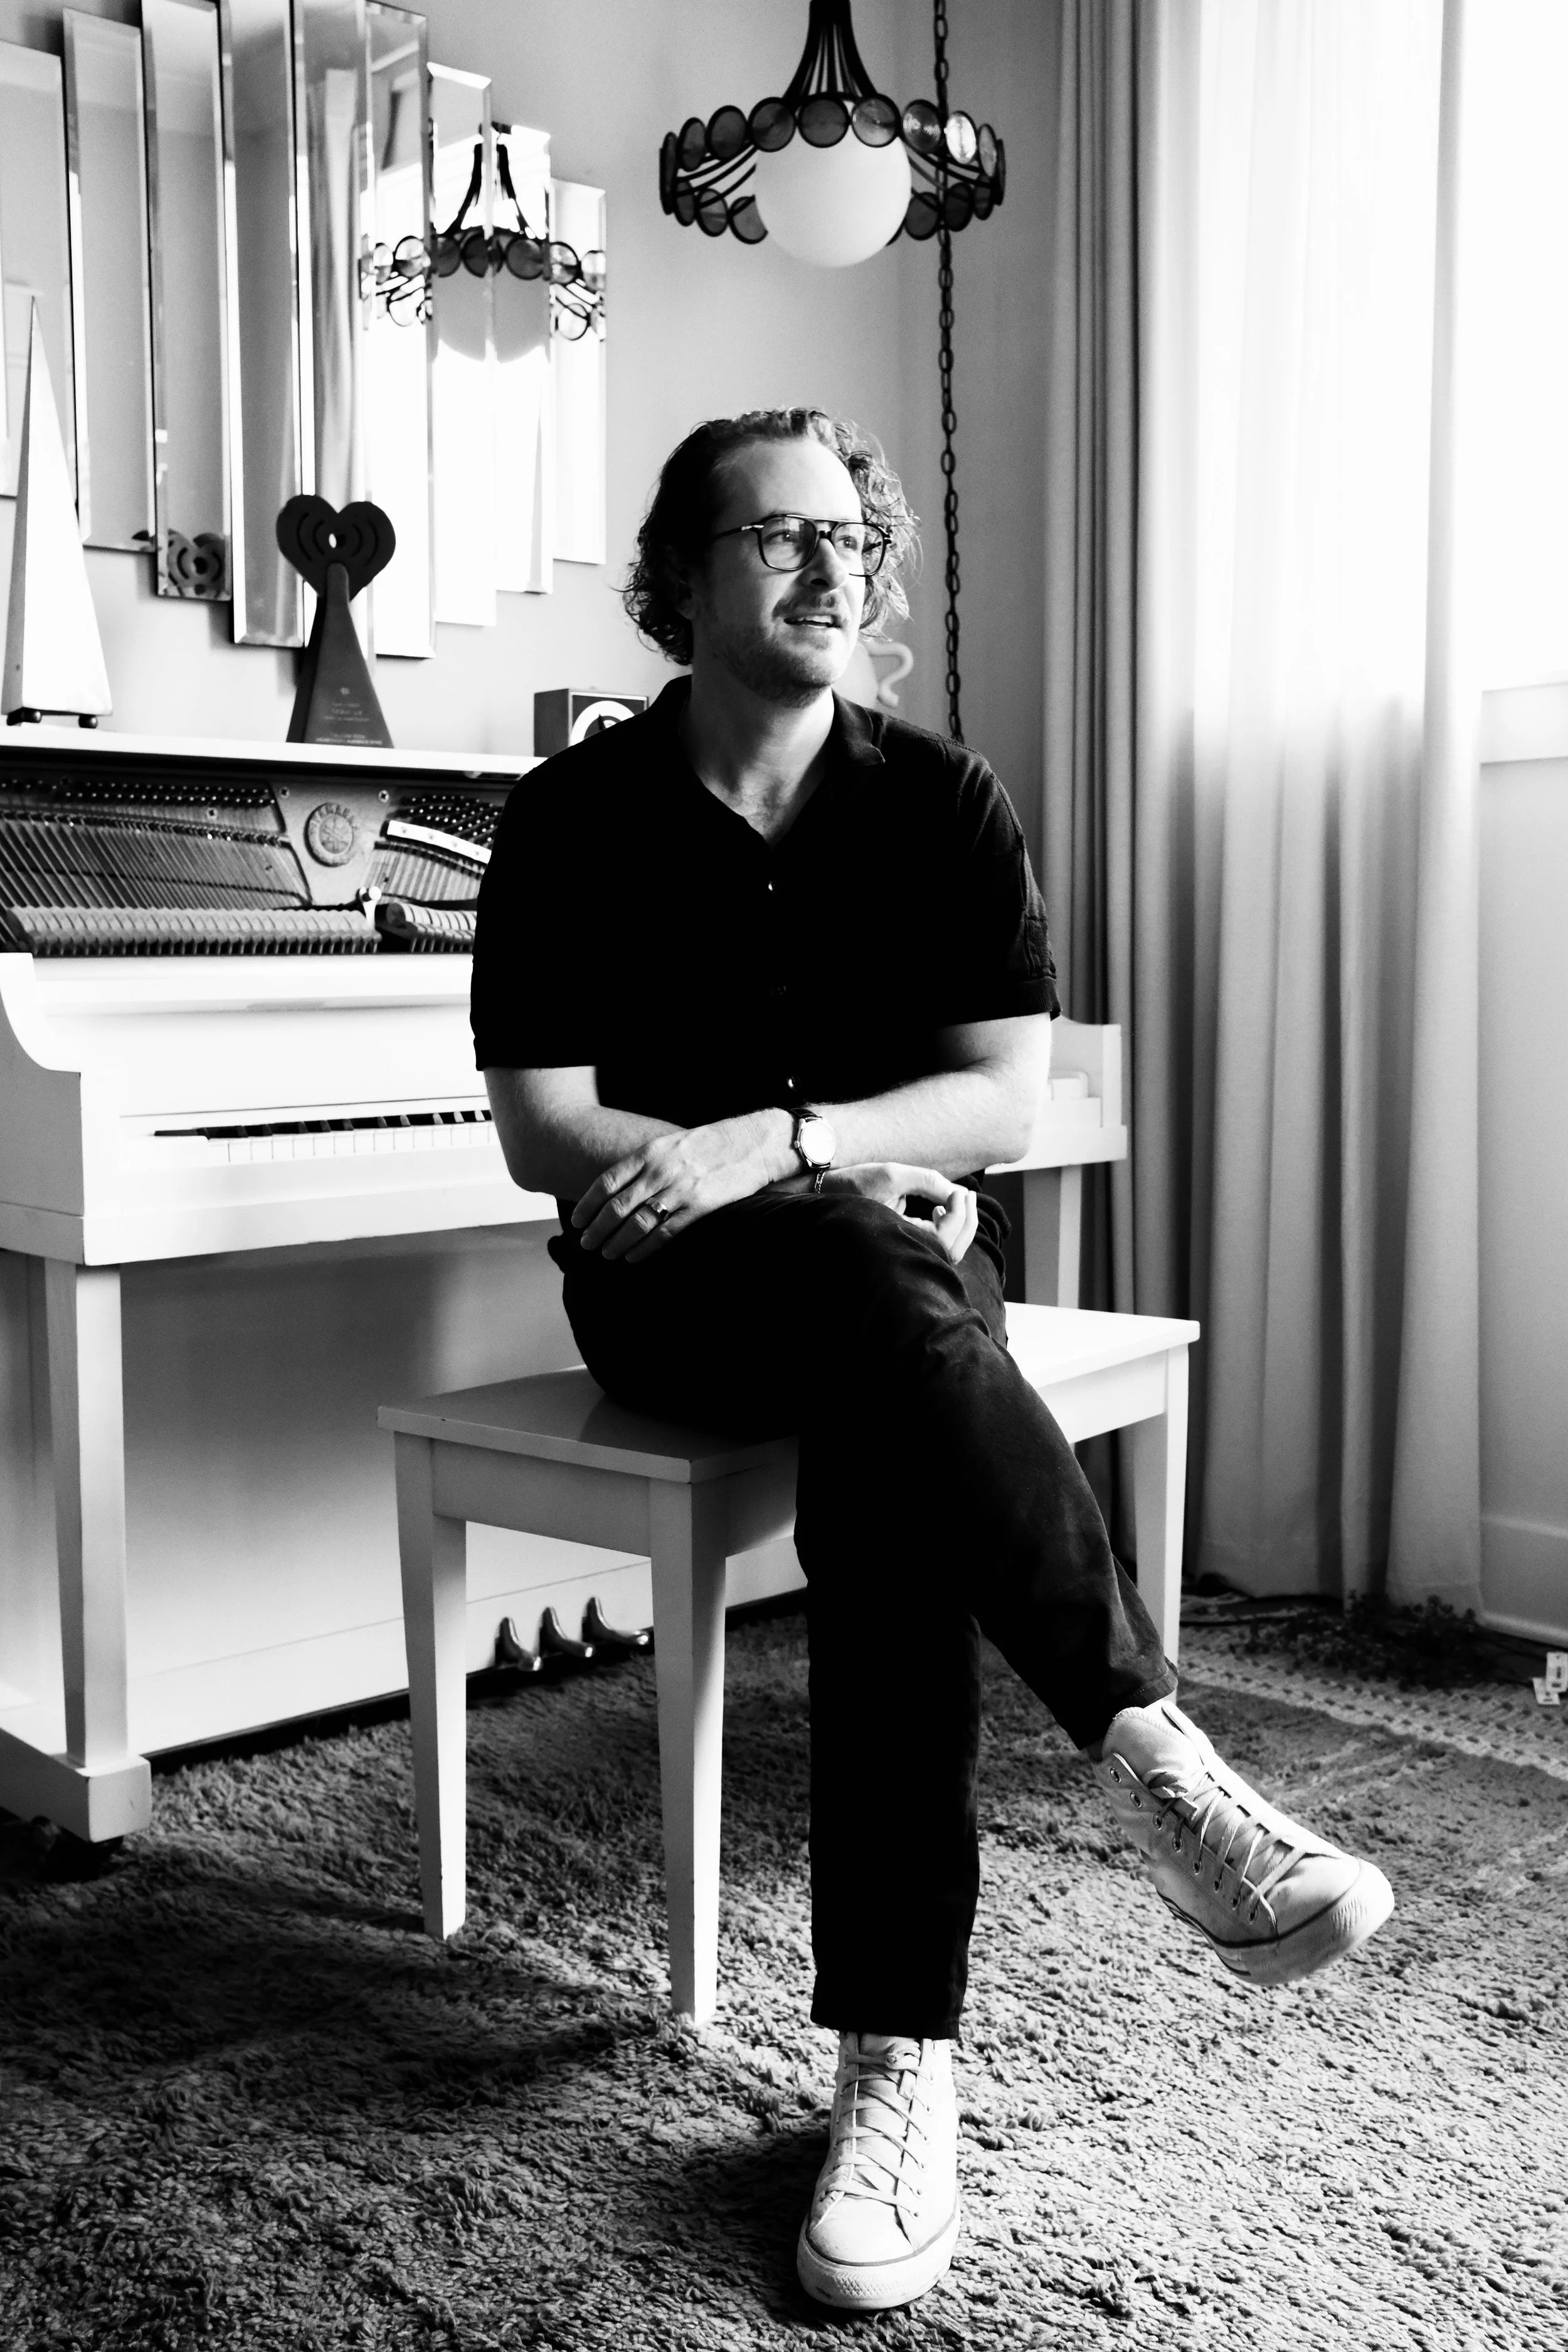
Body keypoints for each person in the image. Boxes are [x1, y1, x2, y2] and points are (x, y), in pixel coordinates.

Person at [471, 408, 1394, 2316]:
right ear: (683, 573)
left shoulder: (945, 799)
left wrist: (784, 1139)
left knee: (882, 1433)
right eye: (781, 535)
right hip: (671, 1290)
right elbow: (541, 1123)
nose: (831, 570)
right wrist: (766, 1161)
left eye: (854, 540)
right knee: (862, 1270)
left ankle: (899, 2063)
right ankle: (1150, 1767)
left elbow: (1002, 1090)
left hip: (888, 1272)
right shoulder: (568, 817)